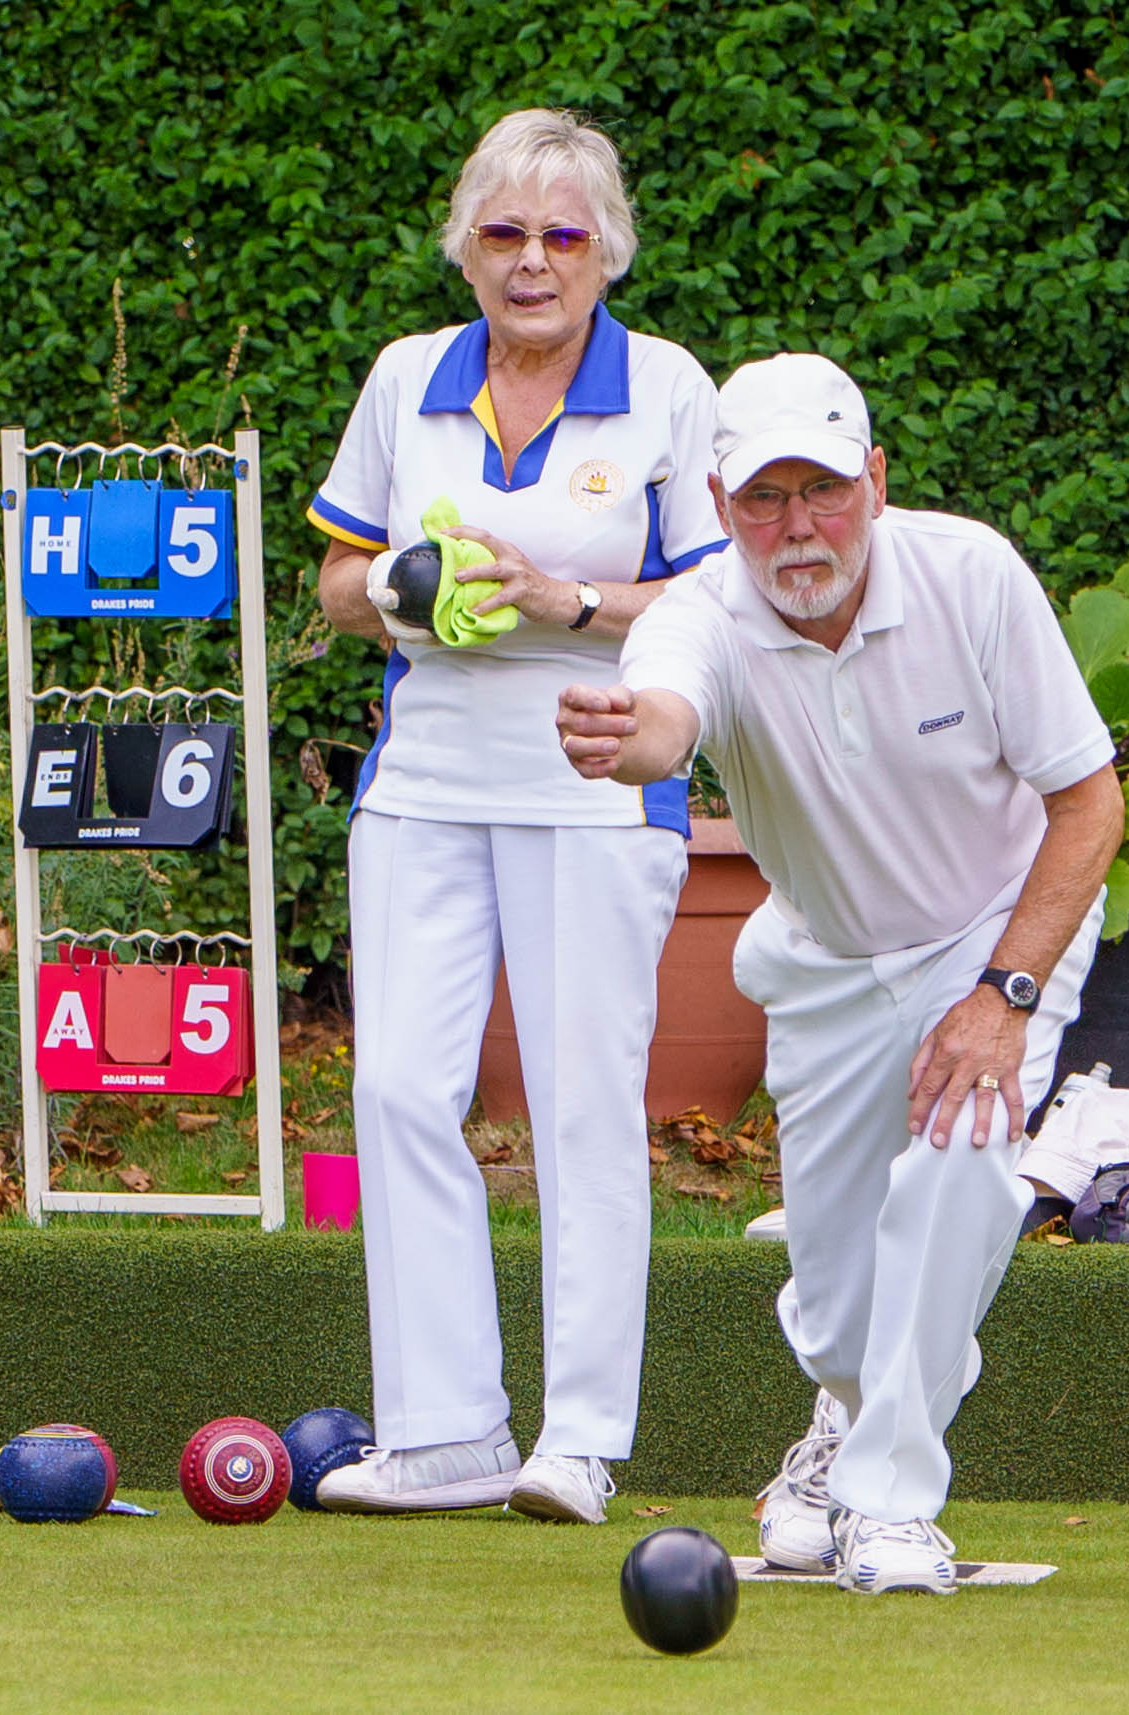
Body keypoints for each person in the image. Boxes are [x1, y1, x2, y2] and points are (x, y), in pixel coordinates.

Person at [554, 353, 1126, 1590]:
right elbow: (664, 710)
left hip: (994, 932)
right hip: (823, 958)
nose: (796, 525)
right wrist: (625, 743)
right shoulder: (700, 614)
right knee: (831, 1296)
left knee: (960, 1170)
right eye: (764, 497)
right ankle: (840, 1420)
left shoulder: (970, 575)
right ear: (719, 502)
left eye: (823, 487)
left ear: (874, 478)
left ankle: (889, 1502)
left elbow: (1089, 804)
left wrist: (1002, 997)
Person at [305, 108, 727, 1526]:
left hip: (599, 787)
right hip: (421, 779)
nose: (532, 261)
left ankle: (583, 1437)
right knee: (397, 1092)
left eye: (561, 235)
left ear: (605, 250)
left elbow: (719, 599)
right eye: (503, 233)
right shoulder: (405, 378)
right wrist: (407, 590)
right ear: (465, 247)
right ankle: (443, 1429)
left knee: (582, 1103)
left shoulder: (668, 387)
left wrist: (561, 599)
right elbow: (339, 578)